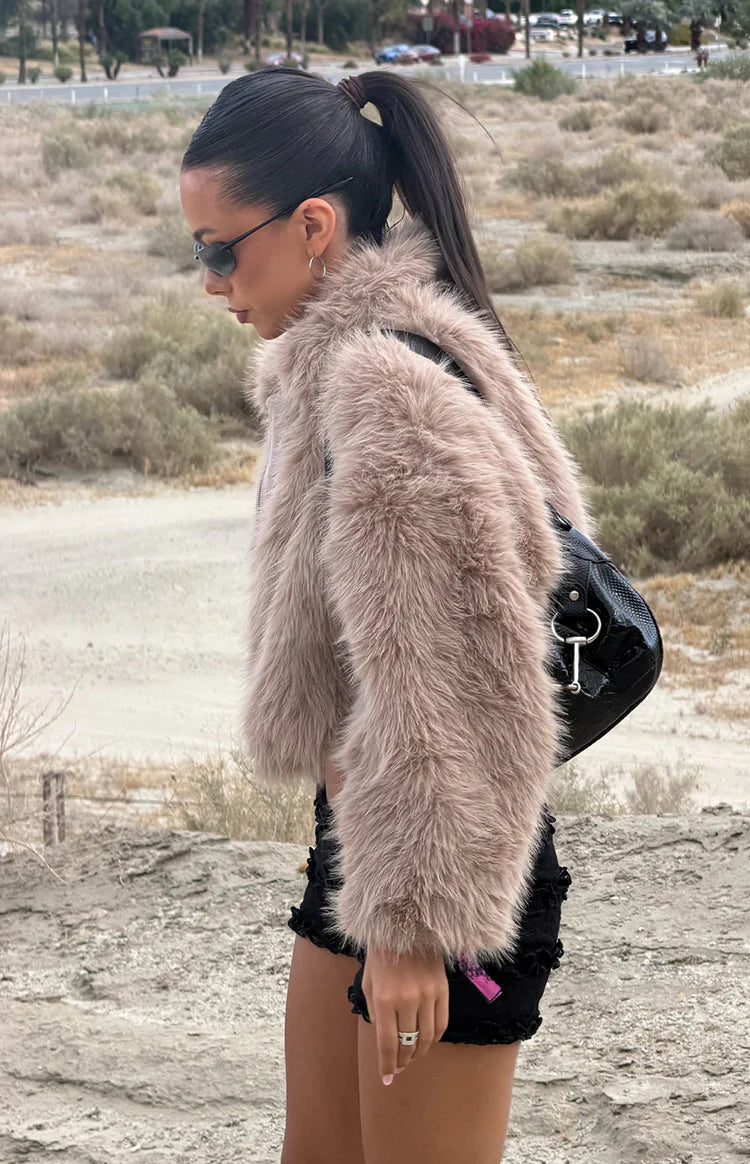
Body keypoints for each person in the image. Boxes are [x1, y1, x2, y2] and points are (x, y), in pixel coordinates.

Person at [180, 66, 596, 1164]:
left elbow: (451, 676)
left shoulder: (387, 391)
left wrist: (413, 926)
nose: (211, 283)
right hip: (363, 843)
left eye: (219, 250)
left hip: (446, 873)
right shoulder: (329, 367)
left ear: (313, 227)